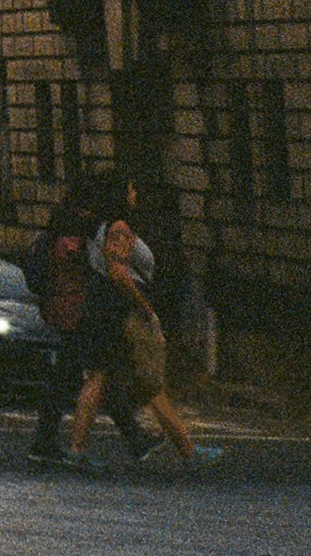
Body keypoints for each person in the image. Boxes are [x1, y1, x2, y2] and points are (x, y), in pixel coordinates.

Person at [65, 214, 222, 471]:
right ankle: (187, 451)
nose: (134, 192)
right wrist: (147, 309)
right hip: (122, 311)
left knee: (112, 379)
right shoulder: (118, 227)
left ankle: (181, 449)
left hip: (107, 307)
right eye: (130, 188)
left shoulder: (99, 227)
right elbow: (118, 272)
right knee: (129, 379)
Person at [24, 193, 152, 467]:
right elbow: (95, 268)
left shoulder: (45, 239)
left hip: (69, 313)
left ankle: (135, 438)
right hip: (79, 314)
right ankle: (53, 442)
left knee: (95, 375)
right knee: (91, 376)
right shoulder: (71, 240)